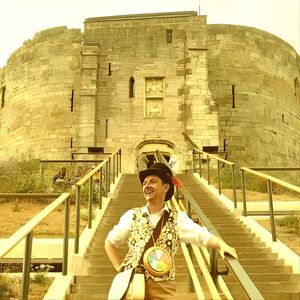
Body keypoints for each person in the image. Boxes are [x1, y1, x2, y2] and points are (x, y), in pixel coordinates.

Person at [105, 163, 238, 299]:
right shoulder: (132, 215)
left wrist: (222, 245)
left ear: (166, 187)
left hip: (163, 286)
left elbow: (201, 236)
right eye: (144, 183)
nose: (147, 186)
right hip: (133, 283)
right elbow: (110, 242)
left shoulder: (177, 217)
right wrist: (119, 268)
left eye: (153, 181)